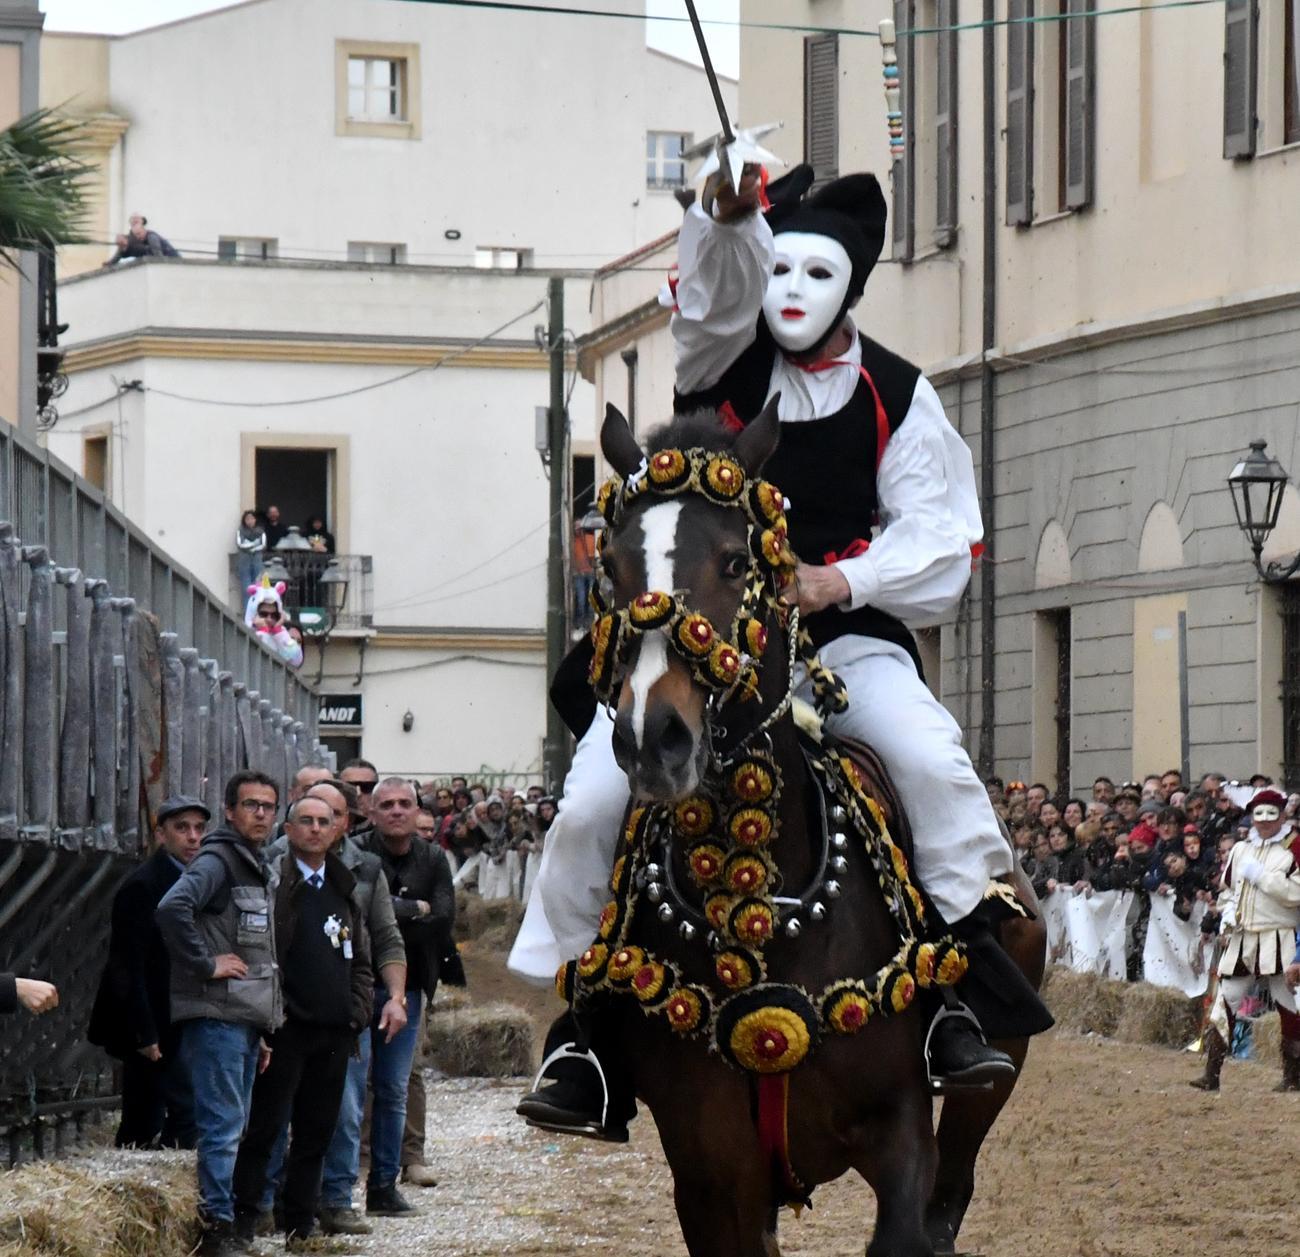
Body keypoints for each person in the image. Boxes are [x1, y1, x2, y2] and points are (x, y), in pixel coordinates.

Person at [511, 161, 1050, 1138]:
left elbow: (936, 532)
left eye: (816, 276)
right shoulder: (724, 361)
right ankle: (583, 1033)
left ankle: (959, 996)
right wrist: (725, 224)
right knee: (595, 796)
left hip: (843, 641)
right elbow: (714, 300)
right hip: (694, 651)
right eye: (780, 272)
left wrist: (839, 581)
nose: (792, 294)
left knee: (930, 765)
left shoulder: (898, 392)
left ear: (850, 286)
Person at [231, 797, 373, 1248]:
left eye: (323, 822)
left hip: (333, 1032)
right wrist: (272, 1014)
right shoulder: (276, 884)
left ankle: (301, 1227)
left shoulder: (346, 886)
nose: (315, 829)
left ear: (338, 830)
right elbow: (261, 955)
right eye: (305, 821)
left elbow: (362, 961)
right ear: (288, 829)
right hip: (286, 1029)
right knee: (266, 1130)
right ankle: (244, 1221)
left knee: (317, 1133)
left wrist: (357, 1013)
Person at [155, 770, 283, 1256]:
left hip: (242, 1019)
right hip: (217, 1016)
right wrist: (205, 964)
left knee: (233, 1124)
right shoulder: (218, 860)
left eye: (268, 807)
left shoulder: (254, 863)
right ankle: (216, 1230)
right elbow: (172, 908)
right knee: (223, 1126)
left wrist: (264, 1025)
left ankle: (223, 1224)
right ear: (229, 812)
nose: (260, 814)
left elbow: (257, 952)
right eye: (250, 805)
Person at [88, 796, 208, 1149]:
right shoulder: (145, 884)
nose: (193, 837)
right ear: (160, 834)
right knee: (146, 1113)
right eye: (182, 828)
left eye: (199, 829)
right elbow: (128, 963)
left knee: (179, 1113)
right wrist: (144, 1032)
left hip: (178, 1012)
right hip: (151, 1016)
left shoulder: (197, 879)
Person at [361, 779, 455, 1214]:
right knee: (355, 1080)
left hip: (411, 982)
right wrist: (411, 909)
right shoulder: (358, 855)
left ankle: (399, 1166)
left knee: (398, 1081)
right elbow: (359, 913)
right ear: (372, 812)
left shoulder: (433, 857)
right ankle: (359, 1163)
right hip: (358, 981)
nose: (397, 811)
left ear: (418, 812)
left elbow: (443, 919)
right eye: (387, 805)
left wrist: (390, 917)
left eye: (405, 804)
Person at [1191, 788, 1300, 1093]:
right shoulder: (1241, 850)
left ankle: (1293, 1076)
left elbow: (1296, 893)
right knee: (1226, 1000)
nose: (1264, 821)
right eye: (1259, 814)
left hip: (1280, 935)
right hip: (1243, 937)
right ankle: (1212, 1073)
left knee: (1289, 1005)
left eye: (1271, 814)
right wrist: (1227, 913)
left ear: (1283, 815)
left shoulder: (1295, 847)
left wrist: (1263, 877)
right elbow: (1228, 889)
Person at [243, 576, 303, 668]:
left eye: (274, 615)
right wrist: (263, 631)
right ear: (253, 614)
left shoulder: (280, 633)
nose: (269, 619)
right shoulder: (244, 632)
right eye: (264, 614)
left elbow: (296, 660)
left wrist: (278, 631)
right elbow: (261, 657)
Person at [235, 511, 266, 596]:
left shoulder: (260, 531)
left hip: (257, 560)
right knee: (247, 589)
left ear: (255, 519)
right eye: (247, 519)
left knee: (259, 586)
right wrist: (255, 543)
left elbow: (263, 544)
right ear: (244, 520)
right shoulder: (241, 531)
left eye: (251, 518)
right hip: (244, 561)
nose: (250, 521)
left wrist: (250, 546)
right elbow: (240, 544)